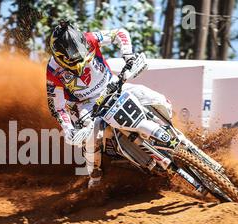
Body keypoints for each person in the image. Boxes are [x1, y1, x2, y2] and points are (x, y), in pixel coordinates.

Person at [46, 21, 173, 188]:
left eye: (80, 51)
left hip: (113, 85)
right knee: (91, 138)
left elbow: (119, 33)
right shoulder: (52, 70)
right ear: (59, 55)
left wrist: (128, 55)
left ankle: (170, 135)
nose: (78, 57)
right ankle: (95, 176)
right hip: (85, 105)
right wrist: (68, 129)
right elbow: (57, 106)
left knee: (156, 99)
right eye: (72, 55)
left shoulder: (90, 38)